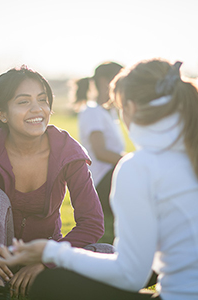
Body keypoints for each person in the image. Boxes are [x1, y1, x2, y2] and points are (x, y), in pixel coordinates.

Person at [0, 59, 198, 300]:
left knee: (50, 283)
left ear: (131, 108)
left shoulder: (138, 168)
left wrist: (51, 252)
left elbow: (131, 275)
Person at [0, 66, 106, 300]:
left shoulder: (68, 152)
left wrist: (47, 258)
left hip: (44, 256)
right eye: (23, 102)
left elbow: (92, 224)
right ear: (2, 114)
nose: (37, 109)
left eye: (42, 100)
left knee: (108, 254)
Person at [73, 62, 125, 242]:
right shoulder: (92, 111)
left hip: (111, 176)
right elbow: (100, 151)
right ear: (105, 82)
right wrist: (132, 161)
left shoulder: (107, 112)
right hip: (102, 182)